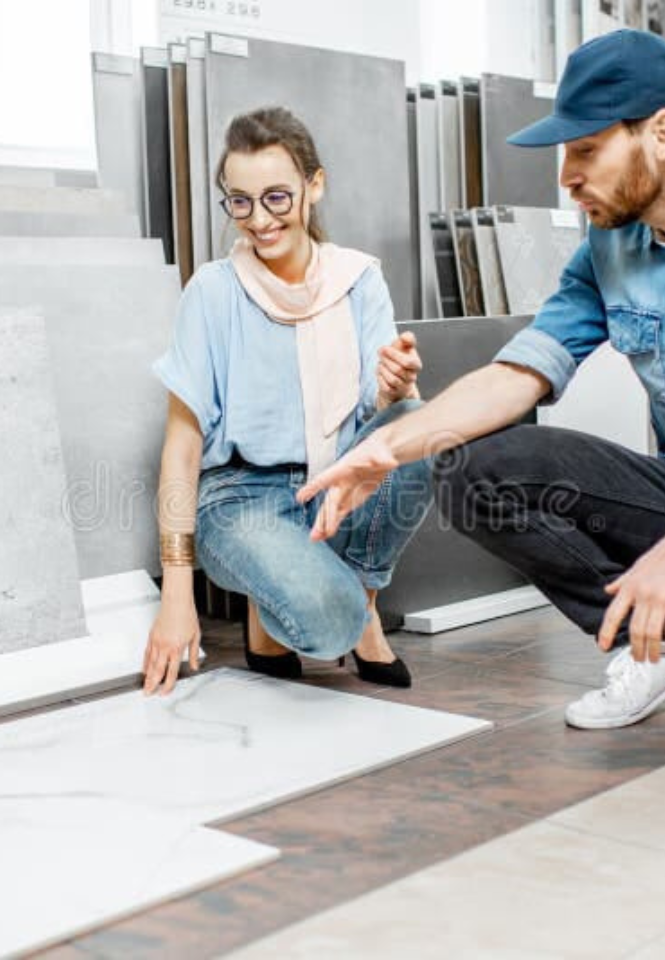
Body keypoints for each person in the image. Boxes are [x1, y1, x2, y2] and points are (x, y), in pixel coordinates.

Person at [297, 29, 665, 745]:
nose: (567, 177)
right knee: (470, 469)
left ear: (662, 134)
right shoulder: (610, 246)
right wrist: (389, 447)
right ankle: (658, 647)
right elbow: (520, 373)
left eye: (585, 150)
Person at [142, 106, 433, 696]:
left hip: (337, 481)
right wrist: (176, 594)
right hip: (243, 497)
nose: (259, 219)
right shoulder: (213, 292)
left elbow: (380, 417)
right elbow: (181, 446)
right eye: (240, 201)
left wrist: (395, 387)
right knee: (326, 626)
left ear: (313, 185)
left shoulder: (358, 279)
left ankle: (362, 604)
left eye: (276, 197)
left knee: (417, 423)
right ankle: (314, 602)